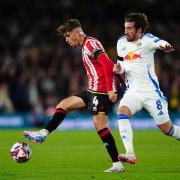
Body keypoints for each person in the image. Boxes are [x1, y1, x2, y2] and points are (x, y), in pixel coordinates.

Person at [23, 19, 125, 173]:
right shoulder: (86, 45)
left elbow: (106, 64)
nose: (66, 40)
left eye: (68, 35)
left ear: (77, 33)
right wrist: (121, 82)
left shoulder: (90, 44)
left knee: (100, 126)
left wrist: (112, 89)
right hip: (92, 90)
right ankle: (42, 134)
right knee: (63, 105)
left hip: (101, 91)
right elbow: (111, 65)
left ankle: (117, 164)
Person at [113, 12, 179, 164]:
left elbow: (160, 42)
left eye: (130, 28)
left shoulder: (148, 40)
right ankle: (130, 153)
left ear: (139, 30)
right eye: (125, 27)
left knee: (167, 129)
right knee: (122, 113)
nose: (126, 31)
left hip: (151, 93)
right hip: (133, 92)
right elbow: (123, 64)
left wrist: (165, 46)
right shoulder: (121, 43)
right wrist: (119, 70)